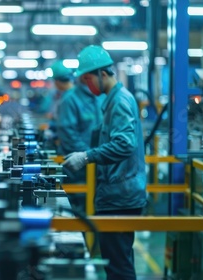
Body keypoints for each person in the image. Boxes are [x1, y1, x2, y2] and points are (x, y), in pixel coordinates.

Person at [63, 45, 147, 280]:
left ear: (102, 74)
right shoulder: (113, 100)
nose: (87, 85)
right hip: (117, 192)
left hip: (121, 195)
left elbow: (124, 144)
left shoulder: (119, 101)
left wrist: (87, 156)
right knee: (117, 264)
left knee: (119, 267)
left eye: (88, 79)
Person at [56, 78, 105, 213]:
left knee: (97, 207)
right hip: (79, 168)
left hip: (100, 164)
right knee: (79, 208)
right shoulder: (70, 99)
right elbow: (68, 134)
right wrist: (87, 155)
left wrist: (96, 156)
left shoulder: (103, 96)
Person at [42, 60, 74, 148]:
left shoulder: (68, 99)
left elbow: (67, 127)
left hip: (70, 148)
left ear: (57, 81)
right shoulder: (66, 96)